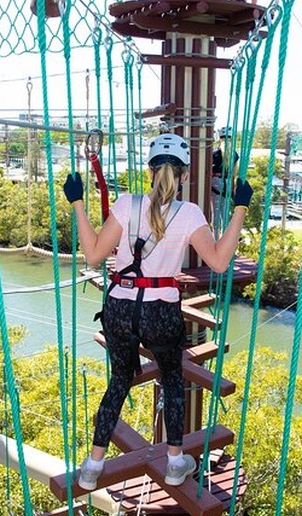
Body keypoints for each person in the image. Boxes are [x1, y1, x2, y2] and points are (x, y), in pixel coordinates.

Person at [62, 133, 252, 490]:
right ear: (184, 176)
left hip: (119, 306)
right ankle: (175, 462)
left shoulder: (126, 205)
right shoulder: (188, 213)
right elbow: (219, 261)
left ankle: (92, 465)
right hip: (160, 312)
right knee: (173, 379)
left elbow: (93, 255)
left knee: (119, 381)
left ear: (149, 172)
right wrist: (239, 208)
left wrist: (77, 204)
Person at [210, 126, 239, 235]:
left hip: (216, 181)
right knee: (225, 212)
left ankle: (216, 236)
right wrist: (232, 188)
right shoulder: (234, 154)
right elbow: (234, 173)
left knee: (216, 211)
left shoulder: (215, 153)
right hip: (228, 182)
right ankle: (226, 235)